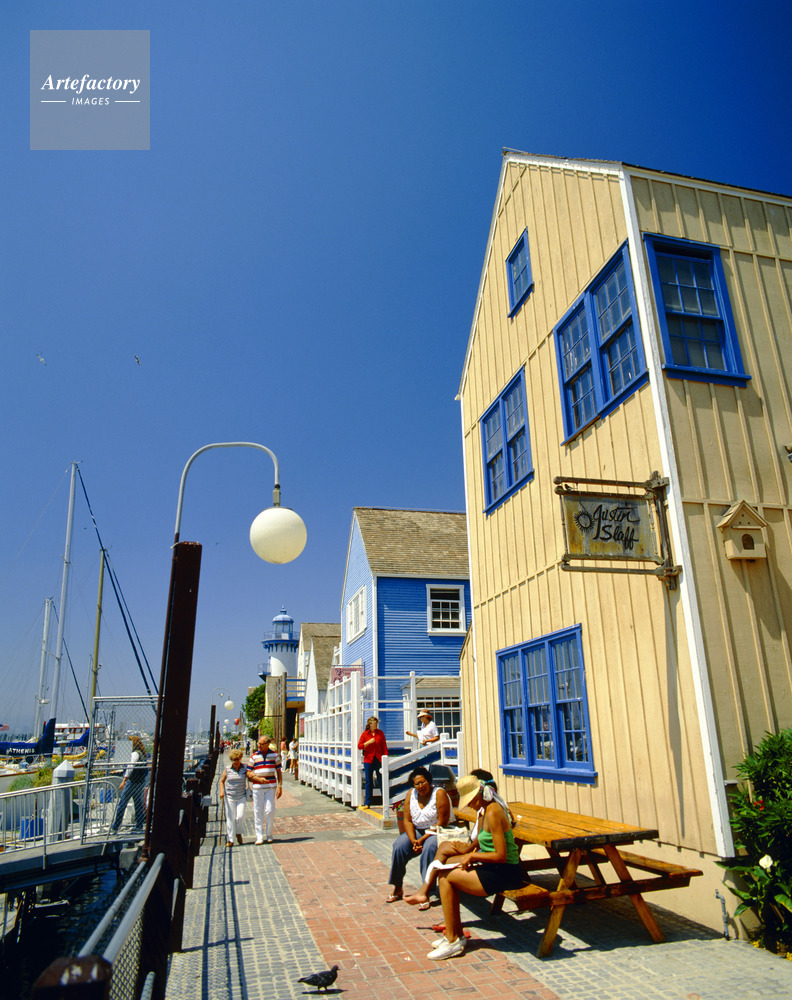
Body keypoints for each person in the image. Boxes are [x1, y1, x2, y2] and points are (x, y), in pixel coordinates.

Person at [421, 772, 523, 961]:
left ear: (477, 796)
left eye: (469, 801)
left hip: (506, 872)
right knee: (445, 871)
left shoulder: (493, 812)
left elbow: (501, 856)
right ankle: (454, 934)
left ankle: (453, 939)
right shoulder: (485, 810)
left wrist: (472, 855)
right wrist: (469, 849)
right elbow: (481, 840)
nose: (469, 805)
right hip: (493, 867)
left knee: (447, 878)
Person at [386, 766, 451, 907]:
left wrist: (421, 840)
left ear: (429, 781)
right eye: (417, 784)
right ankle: (397, 887)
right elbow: (407, 820)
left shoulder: (439, 793)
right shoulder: (411, 794)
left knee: (429, 848)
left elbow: (442, 822)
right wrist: (414, 840)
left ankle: (425, 891)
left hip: (436, 831)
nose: (421, 786)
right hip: (417, 832)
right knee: (399, 846)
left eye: (423, 782)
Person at [111, 736, 149, 833]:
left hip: (132, 781)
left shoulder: (135, 754)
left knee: (122, 804)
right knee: (138, 804)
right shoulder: (142, 754)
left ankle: (115, 826)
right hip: (140, 782)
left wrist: (124, 780)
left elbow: (130, 766)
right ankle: (139, 825)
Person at [248, 734, 283, 844]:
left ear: (267, 744)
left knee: (270, 810)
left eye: (261, 744)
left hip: (270, 787)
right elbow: (248, 772)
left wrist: (280, 786)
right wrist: (258, 779)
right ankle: (259, 836)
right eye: (259, 743)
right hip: (257, 787)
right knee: (258, 811)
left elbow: (279, 772)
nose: (259, 745)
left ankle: (269, 834)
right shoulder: (254, 756)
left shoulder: (274, 756)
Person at [219, 747, 249, 846]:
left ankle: (238, 832)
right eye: (234, 760)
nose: (236, 762)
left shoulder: (245, 768)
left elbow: (251, 776)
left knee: (240, 816)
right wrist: (222, 792)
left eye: (237, 759)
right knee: (230, 818)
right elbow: (221, 781)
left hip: (241, 796)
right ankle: (230, 839)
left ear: (240, 759)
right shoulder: (228, 769)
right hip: (230, 797)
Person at [357, 716, 387, 807]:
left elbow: (384, 746)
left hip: (378, 759)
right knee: (369, 781)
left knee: (381, 780)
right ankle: (368, 802)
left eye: (376, 724)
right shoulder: (365, 734)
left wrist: (385, 756)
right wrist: (368, 742)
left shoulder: (380, 733)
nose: (375, 726)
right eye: (374, 724)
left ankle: (385, 801)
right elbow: (359, 746)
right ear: (370, 725)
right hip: (368, 759)